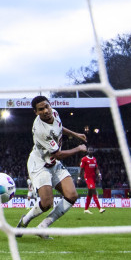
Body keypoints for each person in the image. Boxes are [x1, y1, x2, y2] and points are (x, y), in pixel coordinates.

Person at [16, 96, 87, 239]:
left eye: (47, 106)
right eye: (41, 109)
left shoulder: (54, 113)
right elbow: (59, 154)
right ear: (36, 112)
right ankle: (24, 221)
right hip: (40, 164)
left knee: (72, 195)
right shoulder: (41, 131)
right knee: (47, 203)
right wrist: (78, 148)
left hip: (53, 163)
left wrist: (75, 134)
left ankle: (42, 227)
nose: (46, 111)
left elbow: (59, 127)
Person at [78, 147, 104, 214]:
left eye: (92, 150)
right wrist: (79, 178)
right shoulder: (84, 159)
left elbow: (96, 168)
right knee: (93, 190)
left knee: (90, 193)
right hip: (87, 177)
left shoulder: (94, 159)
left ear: (93, 151)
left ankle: (86, 209)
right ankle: (100, 208)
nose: (90, 151)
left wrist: (99, 174)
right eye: (89, 150)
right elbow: (81, 169)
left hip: (93, 178)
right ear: (87, 151)